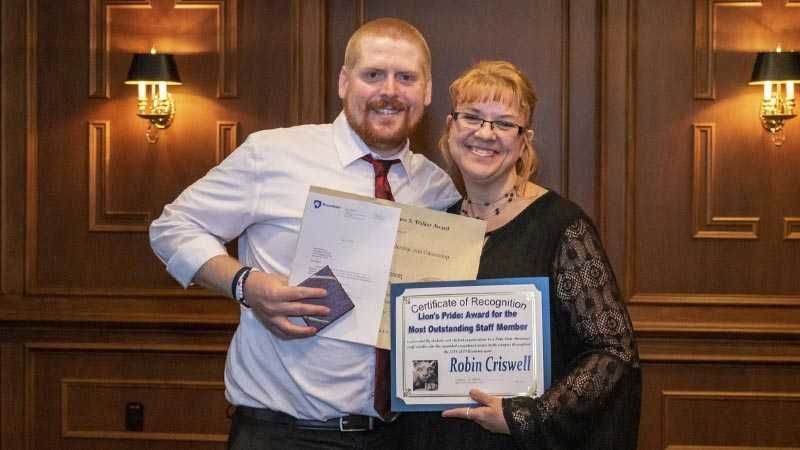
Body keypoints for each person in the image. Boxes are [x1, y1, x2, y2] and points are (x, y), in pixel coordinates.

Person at [149, 18, 460, 450]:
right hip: (283, 434)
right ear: (344, 81)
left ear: (426, 91)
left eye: (405, 77)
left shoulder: (438, 189)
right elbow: (171, 228)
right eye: (373, 75)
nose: (390, 90)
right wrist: (246, 285)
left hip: (401, 437)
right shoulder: (273, 154)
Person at [399, 61, 641, 450]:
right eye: (472, 117)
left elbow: (613, 352)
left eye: (503, 123)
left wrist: (526, 416)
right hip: (436, 437)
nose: (485, 133)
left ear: (524, 140)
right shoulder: (434, 227)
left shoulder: (563, 226)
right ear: (450, 126)